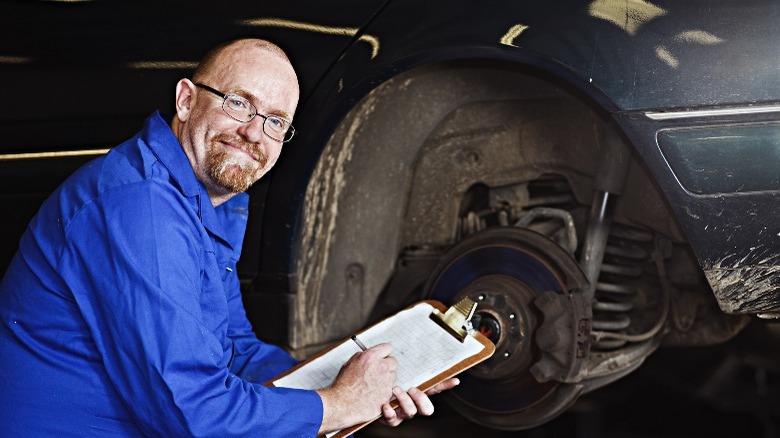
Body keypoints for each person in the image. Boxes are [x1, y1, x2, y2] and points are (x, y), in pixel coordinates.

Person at [0, 38, 457, 437]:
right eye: (239, 102)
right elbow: (189, 412)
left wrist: (365, 385)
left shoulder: (214, 200)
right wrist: (337, 406)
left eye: (276, 122)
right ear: (185, 100)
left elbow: (234, 349)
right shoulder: (142, 207)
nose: (253, 133)